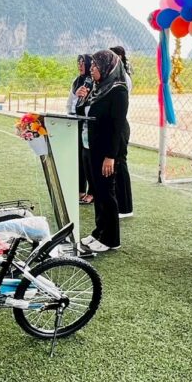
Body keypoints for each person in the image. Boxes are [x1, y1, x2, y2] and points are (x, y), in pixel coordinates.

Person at [75, 50, 130, 253]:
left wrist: (110, 157)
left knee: (107, 193)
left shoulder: (118, 91)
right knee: (97, 192)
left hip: (105, 150)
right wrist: (81, 99)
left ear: (108, 67)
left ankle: (111, 239)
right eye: (91, 65)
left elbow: (117, 127)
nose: (92, 69)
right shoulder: (97, 89)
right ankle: (99, 231)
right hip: (90, 146)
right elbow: (83, 114)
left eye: (95, 66)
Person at [108, 46, 133, 218]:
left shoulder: (122, 79)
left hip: (120, 125)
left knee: (120, 164)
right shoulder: (111, 78)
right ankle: (116, 203)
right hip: (113, 125)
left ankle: (125, 207)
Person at [68, 55, 95, 205]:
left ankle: (92, 192)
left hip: (90, 126)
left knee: (90, 160)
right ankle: (80, 189)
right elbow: (70, 104)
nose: (80, 66)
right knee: (79, 158)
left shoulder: (95, 82)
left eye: (83, 63)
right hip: (77, 123)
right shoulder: (77, 81)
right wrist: (76, 98)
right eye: (78, 63)